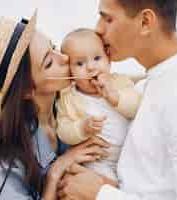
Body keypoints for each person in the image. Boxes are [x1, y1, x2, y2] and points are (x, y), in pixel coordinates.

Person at [57, 0, 177, 200]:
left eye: (107, 18)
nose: (98, 28)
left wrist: (100, 194)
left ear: (145, 22)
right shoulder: (143, 88)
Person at [0, 11, 109, 200]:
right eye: (49, 62)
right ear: (27, 89)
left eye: (54, 47)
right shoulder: (6, 164)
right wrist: (55, 173)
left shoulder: (70, 108)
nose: (65, 58)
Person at [55, 28, 141, 182]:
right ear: (70, 71)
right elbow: (63, 129)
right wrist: (81, 128)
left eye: (97, 58)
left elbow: (137, 107)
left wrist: (116, 98)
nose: (90, 67)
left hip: (130, 154)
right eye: (80, 63)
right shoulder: (69, 97)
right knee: (97, 182)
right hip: (97, 161)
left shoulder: (119, 82)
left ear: (108, 59)